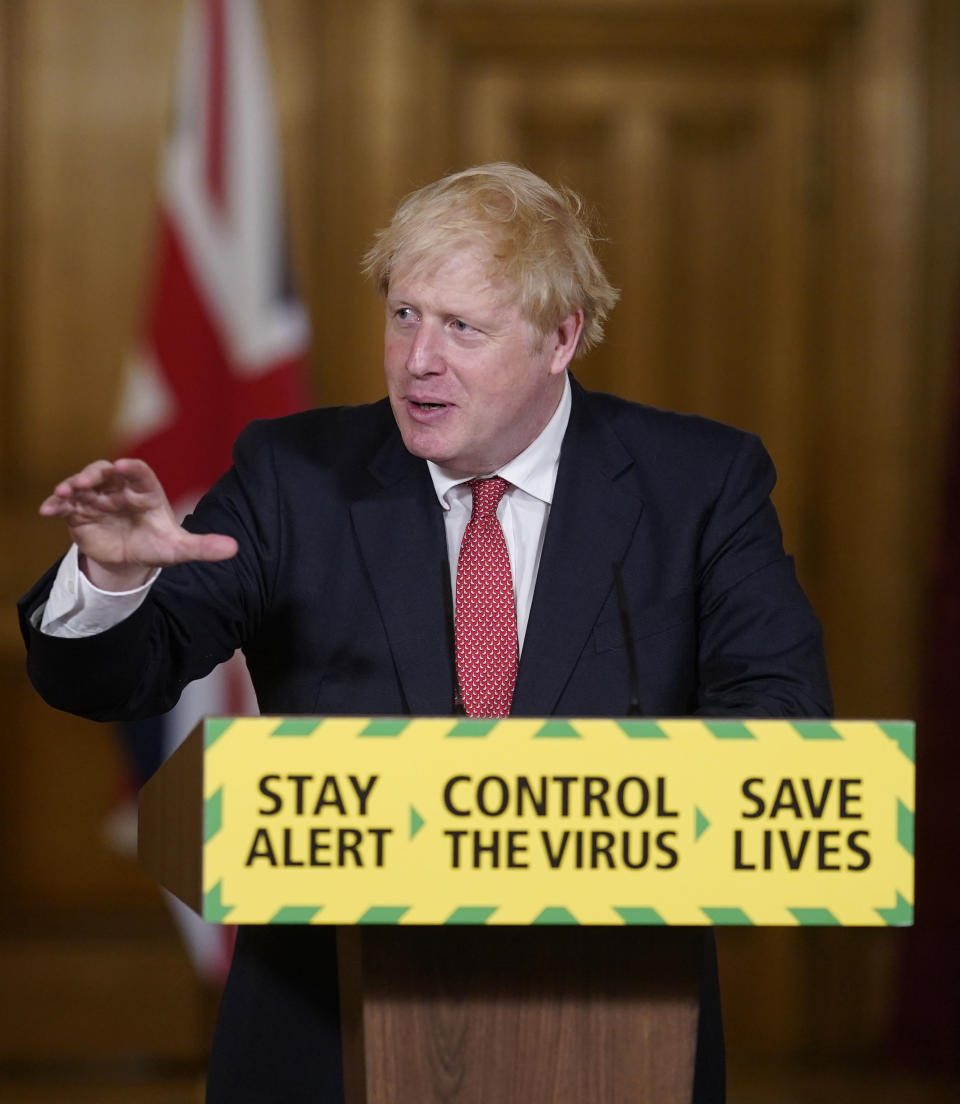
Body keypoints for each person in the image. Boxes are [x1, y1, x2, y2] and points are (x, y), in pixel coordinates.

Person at [18, 162, 831, 1102]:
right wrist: (114, 578)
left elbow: (783, 726)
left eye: (462, 327)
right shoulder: (296, 476)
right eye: (404, 315)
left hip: (614, 1030)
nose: (418, 361)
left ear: (561, 336)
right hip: (322, 1034)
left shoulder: (698, 484)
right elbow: (116, 682)